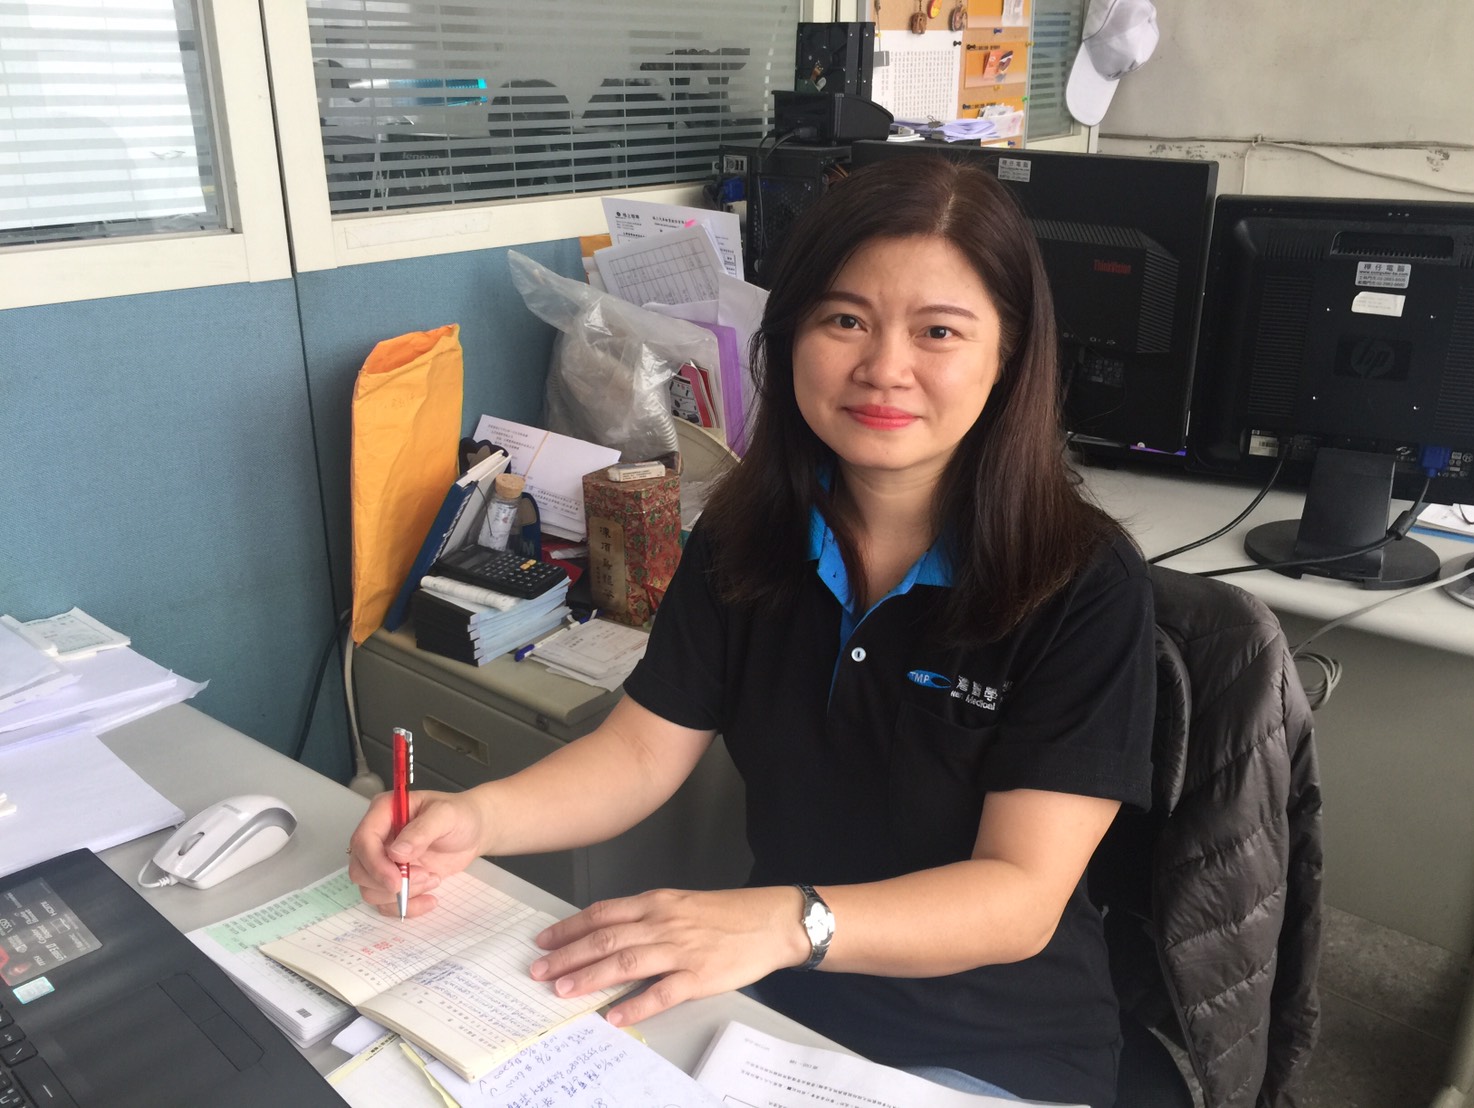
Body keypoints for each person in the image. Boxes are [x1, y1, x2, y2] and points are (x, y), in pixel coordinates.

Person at [348, 154, 1155, 1108]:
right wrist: (476, 819)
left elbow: (1019, 895)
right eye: (845, 320)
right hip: (777, 1017)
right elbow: (639, 755)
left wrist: (785, 924)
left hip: (990, 1049)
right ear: (792, 334)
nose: (883, 368)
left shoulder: (1080, 581)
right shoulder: (746, 538)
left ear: (1009, 356)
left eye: (938, 331)